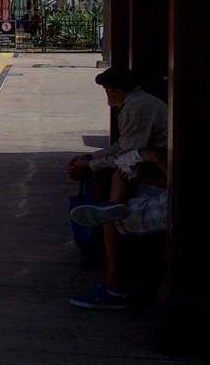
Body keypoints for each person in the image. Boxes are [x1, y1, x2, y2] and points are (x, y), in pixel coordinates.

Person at [69, 148, 168, 309]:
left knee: (115, 217)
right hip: (164, 179)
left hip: (176, 192)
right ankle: (113, 204)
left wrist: (157, 159)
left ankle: (113, 288)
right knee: (122, 172)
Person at [65, 67, 167, 204]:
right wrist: (89, 158)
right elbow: (123, 143)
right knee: (96, 170)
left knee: (103, 176)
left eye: (106, 88)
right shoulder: (132, 103)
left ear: (113, 90)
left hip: (162, 161)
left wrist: (89, 164)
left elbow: (130, 154)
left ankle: (107, 220)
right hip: (149, 155)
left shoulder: (137, 108)